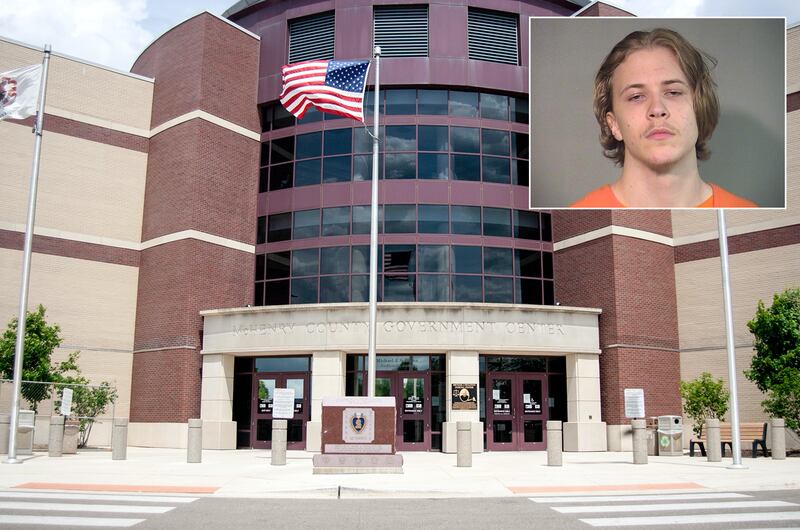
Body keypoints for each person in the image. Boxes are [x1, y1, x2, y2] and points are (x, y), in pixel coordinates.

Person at [571, 28, 756, 208]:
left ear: (700, 108)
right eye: (636, 96)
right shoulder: (578, 216)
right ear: (614, 125)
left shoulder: (747, 213)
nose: (657, 109)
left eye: (673, 92)